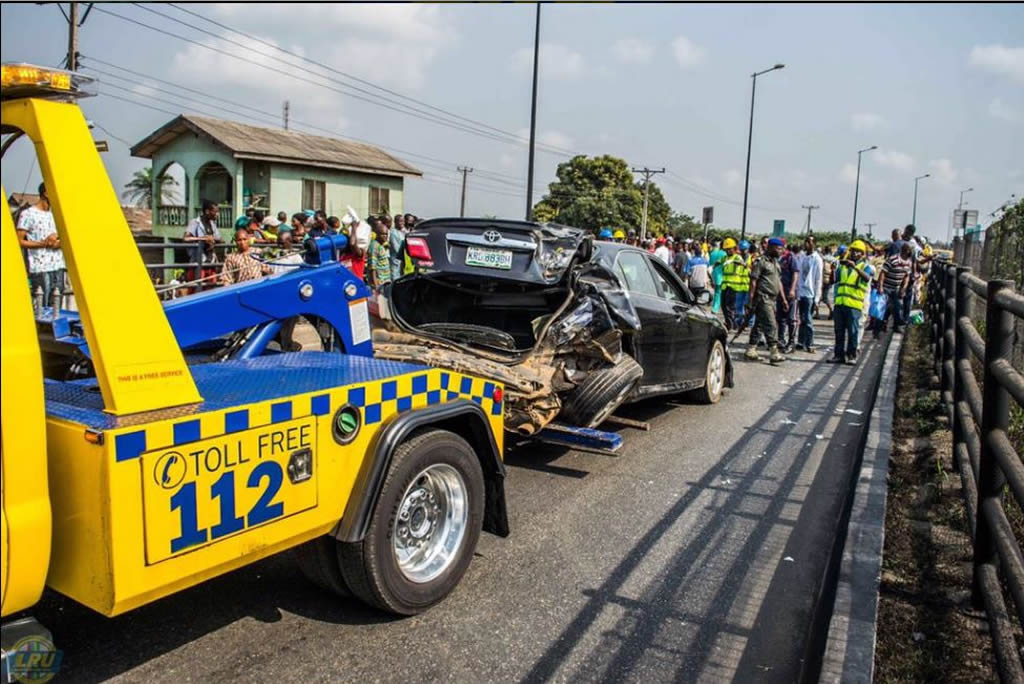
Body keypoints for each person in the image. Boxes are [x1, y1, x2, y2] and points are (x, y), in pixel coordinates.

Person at [15, 182, 66, 307]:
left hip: (58, 266)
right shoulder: (28, 214)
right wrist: (43, 244)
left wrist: (57, 242)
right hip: (40, 268)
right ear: (46, 193)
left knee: (56, 307)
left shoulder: (56, 214)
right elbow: (19, 240)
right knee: (42, 307)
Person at [828, 240, 875, 365]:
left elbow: (867, 278)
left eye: (858, 252)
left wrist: (854, 267)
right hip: (840, 303)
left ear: (863, 254)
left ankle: (852, 355)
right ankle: (838, 355)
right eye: (853, 250)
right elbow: (834, 281)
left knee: (853, 331)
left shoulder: (865, 266)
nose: (855, 253)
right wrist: (833, 270)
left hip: (854, 305)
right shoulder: (843, 266)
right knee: (839, 331)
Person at [745, 237, 788, 364]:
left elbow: (778, 282)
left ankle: (751, 349)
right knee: (771, 324)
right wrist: (750, 300)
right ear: (770, 247)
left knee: (759, 325)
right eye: (779, 248)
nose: (781, 251)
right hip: (762, 298)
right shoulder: (760, 262)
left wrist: (784, 299)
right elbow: (753, 282)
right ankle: (774, 352)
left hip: (772, 299)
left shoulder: (775, 263)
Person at [183, 199, 223, 290]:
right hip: (199, 262)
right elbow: (186, 238)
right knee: (196, 289)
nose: (217, 214)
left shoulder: (212, 224)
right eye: (215, 212)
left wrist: (213, 240)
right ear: (207, 211)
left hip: (210, 262)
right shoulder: (195, 222)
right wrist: (203, 239)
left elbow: (220, 239)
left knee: (211, 289)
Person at [877, 241, 913, 334]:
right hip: (887, 286)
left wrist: (903, 288)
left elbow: (907, 276)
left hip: (896, 288)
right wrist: (880, 286)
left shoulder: (908, 262)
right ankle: (880, 326)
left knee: (898, 308)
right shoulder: (893, 259)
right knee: (883, 308)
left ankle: (897, 326)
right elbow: (883, 273)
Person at [796, 236, 823, 352]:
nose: (807, 244)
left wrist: (817, 298)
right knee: (802, 319)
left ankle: (810, 343)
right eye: (806, 242)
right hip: (801, 292)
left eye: (810, 242)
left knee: (808, 320)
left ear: (814, 244)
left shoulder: (816, 259)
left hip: (810, 293)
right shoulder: (802, 257)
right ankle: (801, 341)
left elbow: (818, 279)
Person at [775, 240, 800, 353]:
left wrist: (792, 289)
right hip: (780, 292)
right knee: (780, 318)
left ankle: (791, 342)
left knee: (791, 319)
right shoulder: (778, 258)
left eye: (779, 247)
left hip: (790, 292)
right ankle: (780, 340)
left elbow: (795, 274)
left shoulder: (791, 257)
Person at [719, 237, 749, 331]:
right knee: (723, 306)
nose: (728, 251)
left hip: (733, 286)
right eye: (726, 249)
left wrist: (732, 261)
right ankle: (729, 322)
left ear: (734, 248)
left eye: (729, 249)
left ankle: (731, 324)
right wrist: (712, 267)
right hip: (725, 285)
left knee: (730, 307)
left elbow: (741, 263)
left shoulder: (737, 257)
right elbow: (719, 262)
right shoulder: (725, 257)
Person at [368, 221, 393, 292]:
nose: (385, 236)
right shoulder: (374, 246)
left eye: (386, 234)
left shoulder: (381, 245)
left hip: (385, 281)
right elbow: (372, 267)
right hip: (379, 282)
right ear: (377, 234)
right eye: (382, 234)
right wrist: (376, 286)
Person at [708, 240, 727, 313]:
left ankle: (715, 307)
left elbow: (710, 265)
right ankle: (716, 308)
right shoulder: (724, 254)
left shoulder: (712, 253)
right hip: (722, 276)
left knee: (717, 292)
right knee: (719, 293)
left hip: (714, 276)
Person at [736, 240, 752, 322]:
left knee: (747, 306)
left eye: (744, 250)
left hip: (748, 286)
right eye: (741, 250)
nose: (742, 252)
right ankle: (738, 321)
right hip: (739, 286)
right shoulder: (737, 258)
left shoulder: (751, 258)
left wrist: (746, 266)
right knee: (738, 306)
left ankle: (749, 322)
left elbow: (753, 271)